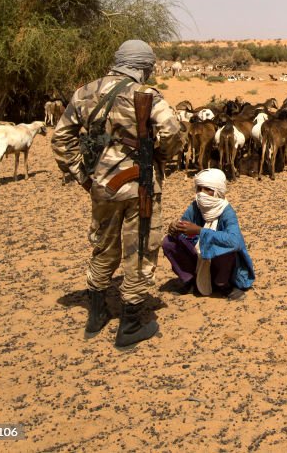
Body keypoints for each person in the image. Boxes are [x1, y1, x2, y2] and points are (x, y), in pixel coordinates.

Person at [52, 40, 183, 347]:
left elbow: (61, 138)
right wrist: (162, 157)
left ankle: (96, 314)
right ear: (142, 66)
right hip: (141, 185)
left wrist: (82, 175)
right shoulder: (146, 95)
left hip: (102, 184)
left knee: (104, 246)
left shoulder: (84, 92)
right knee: (140, 249)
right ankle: (131, 324)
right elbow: (173, 133)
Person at [162, 168, 255, 300]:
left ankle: (223, 285)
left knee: (225, 248)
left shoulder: (227, 212)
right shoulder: (195, 206)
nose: (201, 194)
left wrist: (200, 231)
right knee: (169, 242)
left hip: (220, 263)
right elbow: (184, 226)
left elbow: (235, 241)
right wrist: (175, 227)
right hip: (200, 256)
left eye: (207, 189)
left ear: (217, 192)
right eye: (199, 189)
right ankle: (191, 280)